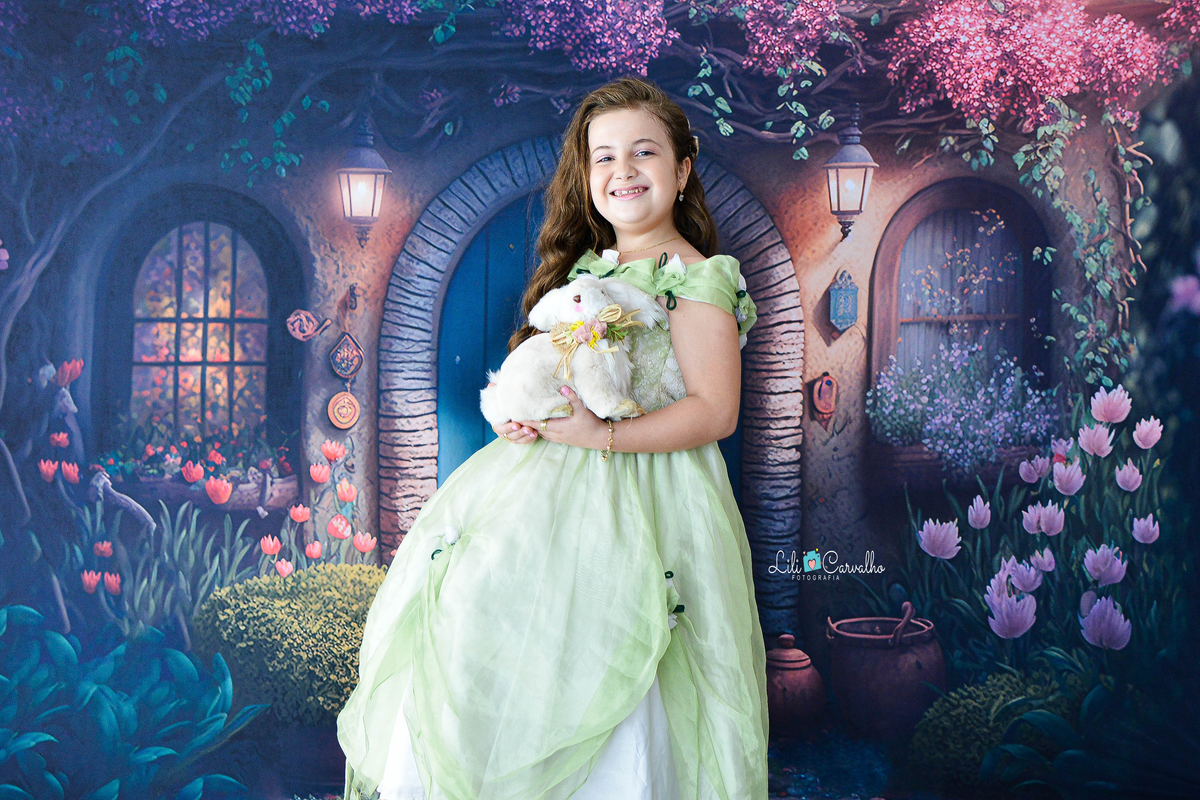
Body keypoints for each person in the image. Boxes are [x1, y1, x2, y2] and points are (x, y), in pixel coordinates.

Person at [338, 75, 768, 800]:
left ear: (682, 169)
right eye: (604, 157)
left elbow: (714, 411)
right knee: (491, 624)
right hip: (548, 487)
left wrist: (601, 437)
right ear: (585, 175)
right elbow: (561, 372)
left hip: (650, 494)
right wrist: (523, 413)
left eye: (644, 153)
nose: (623, 172)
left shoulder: (696, 279)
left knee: (622, 654)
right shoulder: (590, 271)